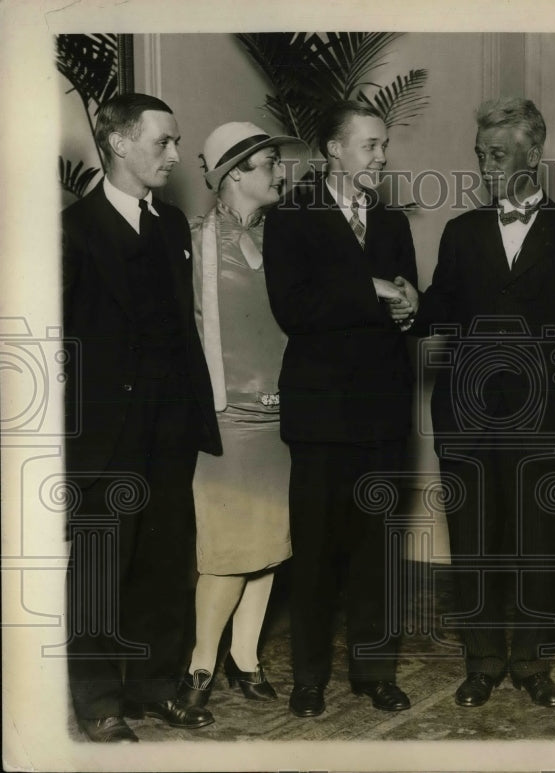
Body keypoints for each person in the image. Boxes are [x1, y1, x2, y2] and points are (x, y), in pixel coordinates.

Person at [409, 97, 555, 709]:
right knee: (474, 542)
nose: (486, 165)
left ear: (532, 153)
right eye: (480, 155)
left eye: (498, 154)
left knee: (540, 541)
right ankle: (482, 660)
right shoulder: (461, 231)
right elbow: (439, 309)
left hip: (547, 417)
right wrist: (403, 302)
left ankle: (530, 661)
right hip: (467, 417)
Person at [62, 93, 222, 742]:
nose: (177, 155)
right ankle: (98, 698)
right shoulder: (73, 230)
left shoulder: (172, 225)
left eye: (176, 142)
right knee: (102, 568)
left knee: (166, 561)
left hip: (169, 427)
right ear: (120, 144)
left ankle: (156, 684)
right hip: (106, 433)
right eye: (164, 143)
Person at [261, 101, 418, 717]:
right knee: (317, 550)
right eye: (370, 146)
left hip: (381, 414)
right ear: (333, 149)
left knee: (377, 550)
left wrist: (408, 305)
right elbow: (293, 309)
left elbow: (406, 300)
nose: (381, 157)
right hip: (321, 418)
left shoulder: (392, 221)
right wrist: (373, 290)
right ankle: (309, 677)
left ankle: (374, 673)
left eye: (384, 146)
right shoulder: (291, 218)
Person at [179, 122, 305, 710]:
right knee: (228, 550)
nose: (281, 172)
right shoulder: (197, 240)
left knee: (268, 546)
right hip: (228, 419)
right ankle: (200, 667)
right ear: (234, 175)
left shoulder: (286, 237)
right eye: (269, 163)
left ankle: (244, 657)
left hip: (285, 417)